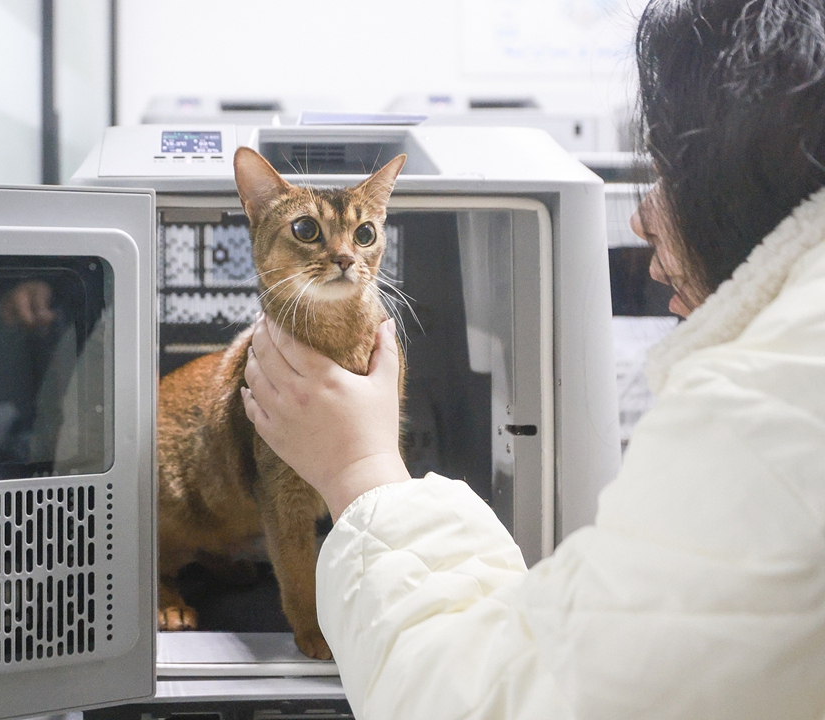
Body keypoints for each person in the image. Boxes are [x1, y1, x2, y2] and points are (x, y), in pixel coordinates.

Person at [239, 1, 825, 717]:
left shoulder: (765, 413)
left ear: (741, 174)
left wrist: (358, 472)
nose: (638, 218)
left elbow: (490, 700)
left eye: (666, 171)